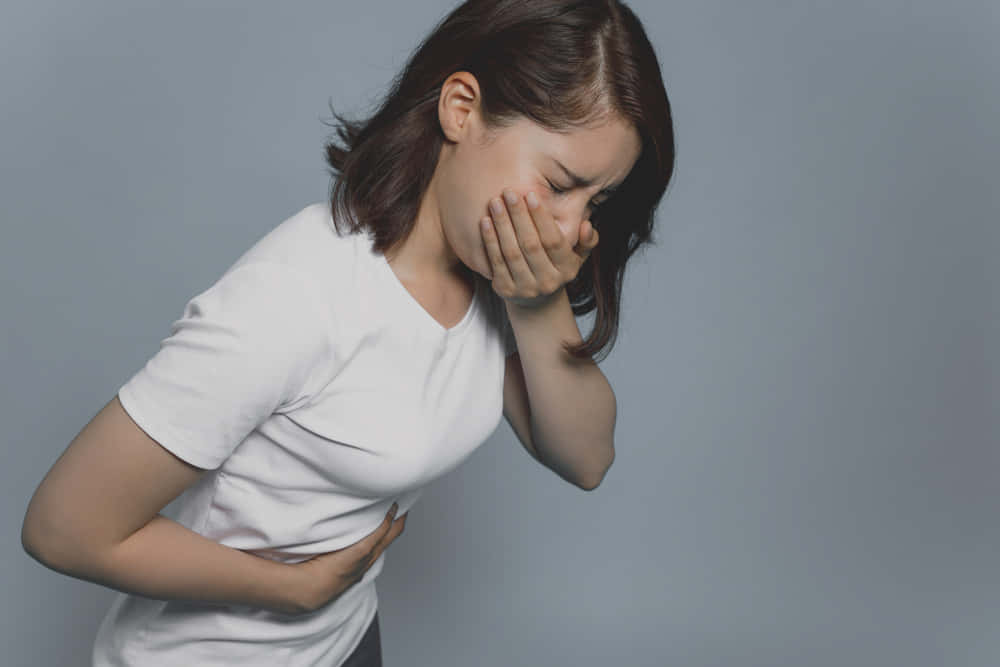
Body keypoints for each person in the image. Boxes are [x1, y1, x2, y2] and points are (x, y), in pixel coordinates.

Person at [20, 1, 675, 665]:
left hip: (346, 640)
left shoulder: (497, 283)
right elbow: (64, 527)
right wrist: (287, 588)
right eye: (559, 183)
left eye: (594, 201)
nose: (570, 230)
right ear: (460, 108)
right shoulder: (297, 296)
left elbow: (585, 457)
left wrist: (538, 305)